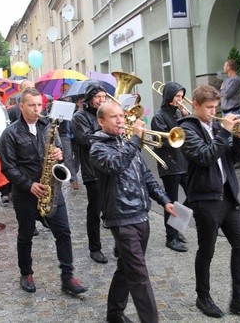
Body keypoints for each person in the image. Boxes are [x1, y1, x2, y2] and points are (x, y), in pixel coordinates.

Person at [178, 85, 240, 319]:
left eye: (215, 107)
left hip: (227, 195)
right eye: (209, 108)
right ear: (195, 105)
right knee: (206, 250)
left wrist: (237, 138)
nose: (213, 112)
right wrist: (226, 133)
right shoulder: (186, 129)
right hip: (205, 199)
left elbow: (235, 159)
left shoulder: (217, 126)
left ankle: (239, 299)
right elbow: (205, 157)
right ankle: (203, 297)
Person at [89, 101, 176, 323]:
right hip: (121, 217)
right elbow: (115, 165)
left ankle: (114, 313)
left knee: (127, 268)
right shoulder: (98, 148)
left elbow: (146, 175)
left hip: (141, 214)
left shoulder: (128, 142)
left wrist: (164, 200)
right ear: (101, 121)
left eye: (121, 115)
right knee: (139, 275)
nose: (120, 120)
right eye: (114, 117)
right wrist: (136, 139)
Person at [0, 87, 88, 296]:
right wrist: (29, 184)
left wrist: (59, 154)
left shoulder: (49, 127)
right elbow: (8, 167)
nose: (37, 109)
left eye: (40, 105)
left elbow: (61, 154)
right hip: (26, 193)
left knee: (64, 232)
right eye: (32, 105)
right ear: (21, 106)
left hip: (51, 188)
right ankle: (26, 273)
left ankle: (68, 277)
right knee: (26, 235)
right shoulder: (10, 133)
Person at [71, 83, 109, 264]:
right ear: (90, 99)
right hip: (92, 170)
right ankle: (95, 248)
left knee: (112, 207)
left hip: (109, 166)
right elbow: (86, 140)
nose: (102, 100)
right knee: (95, 210)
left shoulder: (105, 114)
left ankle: (120, 246)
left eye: (104, 97)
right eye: (98, 97)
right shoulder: (79, 117)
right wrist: (105, 128)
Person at [150, 81, 189, 252]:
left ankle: (177, 227)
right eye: (177, 96)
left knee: (193, 195)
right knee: (171, 201)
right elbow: (162, 142)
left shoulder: (180, 115)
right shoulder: (158, 117)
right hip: (169, 164)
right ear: (169, 97)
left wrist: (187, 118)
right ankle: (171, 237)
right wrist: (178, 128)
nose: (180, 100)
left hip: (184, 162)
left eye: (181, 96)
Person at [220, 59, 240, 168]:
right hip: (225, 111)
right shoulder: (227, 80)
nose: (223, 67)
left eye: (224, 65)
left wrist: (222, 89)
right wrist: (222, 90)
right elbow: (221, 92)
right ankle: (232, 158)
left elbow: (226, 93)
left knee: (237, 135)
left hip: (233, 111)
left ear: (230, 67)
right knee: (228, 137)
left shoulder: (235, 80)